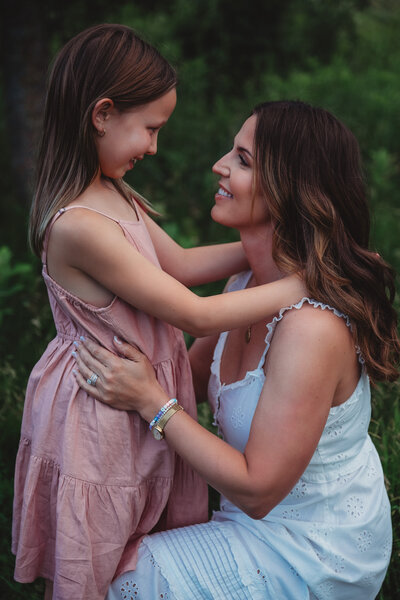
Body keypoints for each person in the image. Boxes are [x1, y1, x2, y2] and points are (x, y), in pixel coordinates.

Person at [11, 25, 306, 600]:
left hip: (135, 395)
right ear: (102, 113)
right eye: (149, 129)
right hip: (101, 415)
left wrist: (277, 246)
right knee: (99, 557)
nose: (153, 147)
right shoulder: (78, 225)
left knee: (141, 535)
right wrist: (306, 280)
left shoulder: (116, 192)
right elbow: (193, 314)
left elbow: (183, 264)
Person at [73, 100, 400, 600]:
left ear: (291, 188)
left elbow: (258, 491)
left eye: (243, 159)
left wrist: (150, 402)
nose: (219, 164)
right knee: (104, 551)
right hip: (249, 519)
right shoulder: (245, 281)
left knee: (121, 582)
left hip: (313, 550)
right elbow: (196, 380)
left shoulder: (311, 329)